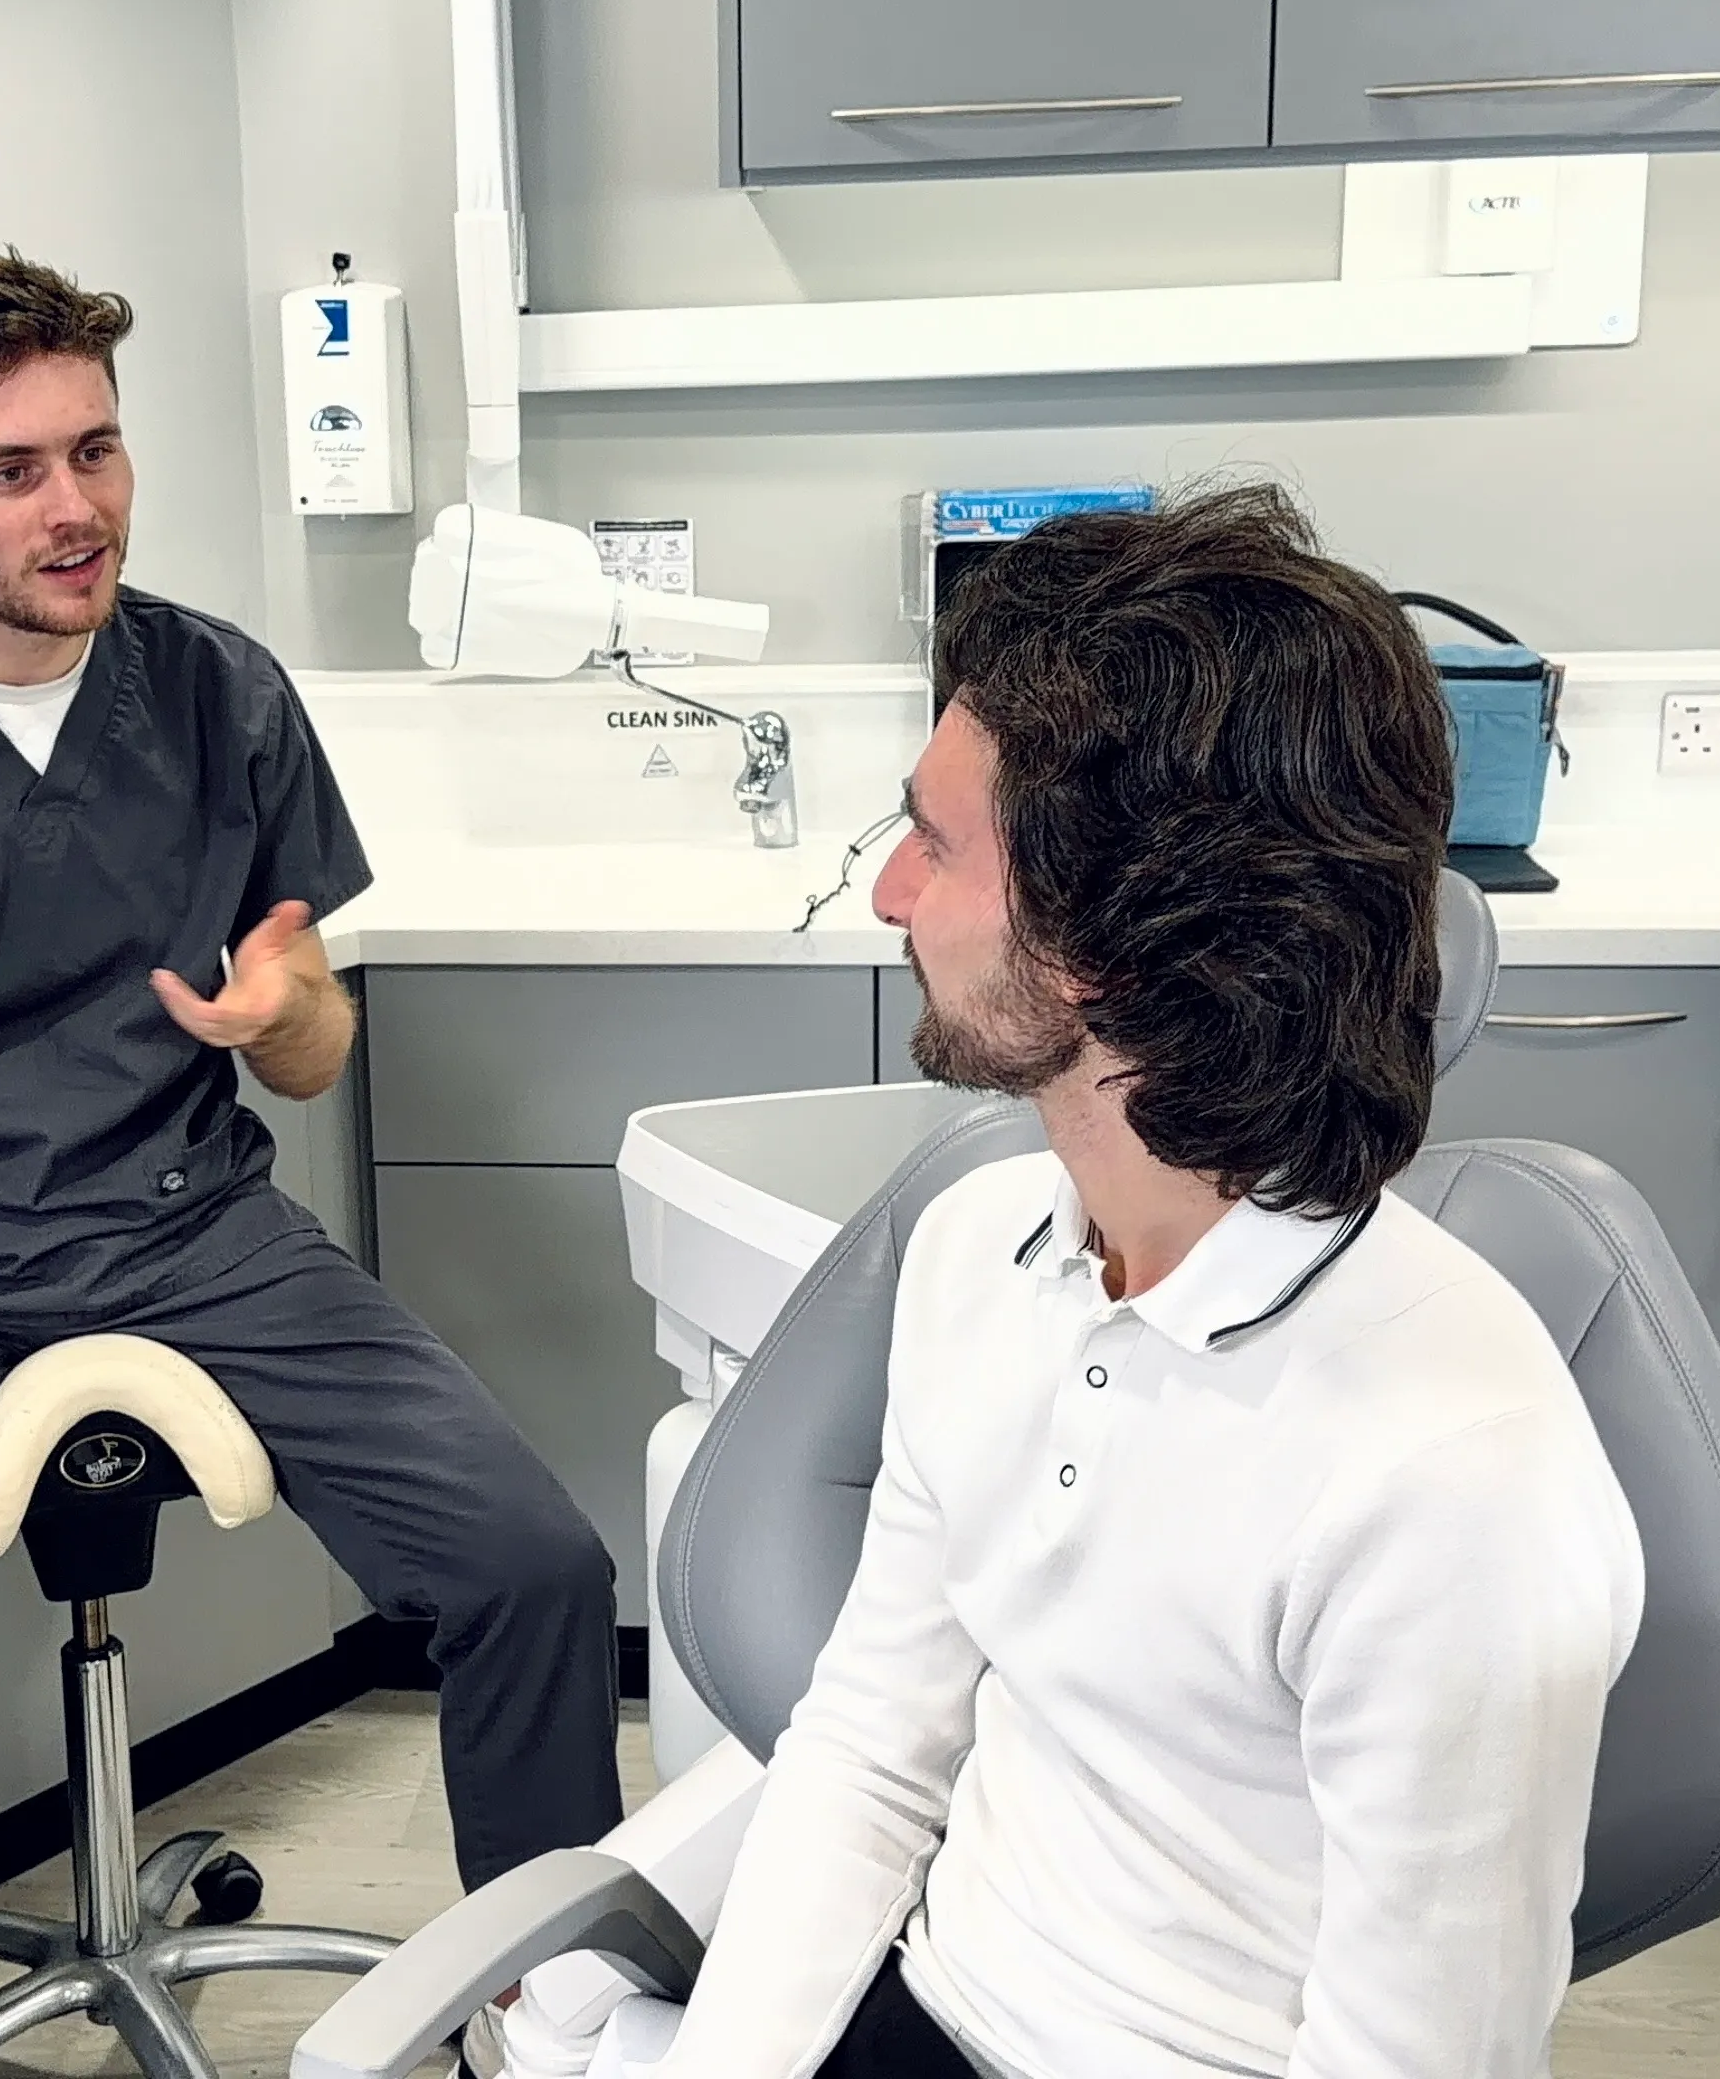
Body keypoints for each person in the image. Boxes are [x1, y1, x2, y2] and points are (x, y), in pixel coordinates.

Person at [0, 250, 622, 2079]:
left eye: (100, 451)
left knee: (533, 1565)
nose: (77, 510)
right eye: (13, 471)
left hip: (191, 1228)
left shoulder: (218, 691)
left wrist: (280, 1015)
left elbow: (314, 1039)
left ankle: (554, 2020)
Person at [652, 484, 1645, 2078]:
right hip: (927, 2005)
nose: (891, 895)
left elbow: (1421, 2057)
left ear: (1111, 942)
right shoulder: (981, 1252)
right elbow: (870, 1757)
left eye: (935, 843)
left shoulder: (1451, 1470)